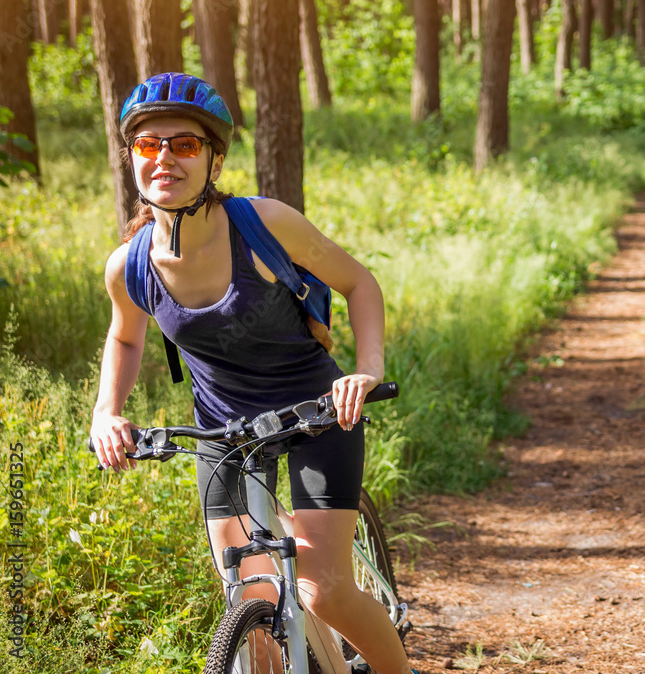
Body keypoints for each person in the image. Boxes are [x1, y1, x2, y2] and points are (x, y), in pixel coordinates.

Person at [89, 72, 416, 674]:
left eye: (184, 145)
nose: (164, 158)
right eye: (148, 145)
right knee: (251, 600)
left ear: (213, 159)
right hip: (222, 433)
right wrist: (106, 410)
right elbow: (124, 336)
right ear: (132, 156)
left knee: (323, 589)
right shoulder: (128, 266)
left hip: (318, 414)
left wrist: (366, 372)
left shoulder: (263, 224)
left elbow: (358, 282)